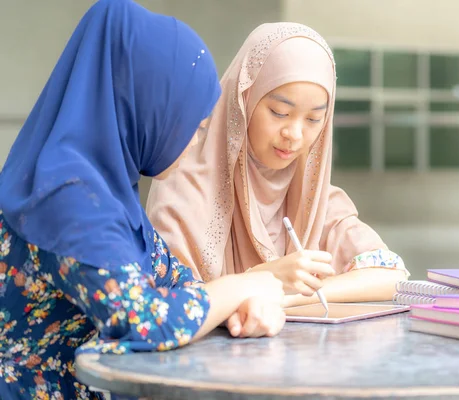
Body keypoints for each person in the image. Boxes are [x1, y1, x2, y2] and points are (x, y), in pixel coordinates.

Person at [0, 1, 285, 399]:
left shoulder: (106, 188)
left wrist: (239, 302)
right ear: (148, 106)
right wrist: (244, 287)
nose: (194, 143)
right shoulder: (66, 196)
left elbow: (173, 279)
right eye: (195, 128)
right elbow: (145, 318)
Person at [146, 22, 410, 310]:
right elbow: (168, 306)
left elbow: (391, 274)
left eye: (313, 119)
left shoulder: (314, 197)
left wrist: (287, 297)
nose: (294, 135)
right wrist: (263, 282)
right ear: (243, 100)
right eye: (279, 112)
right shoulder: (185, 186)